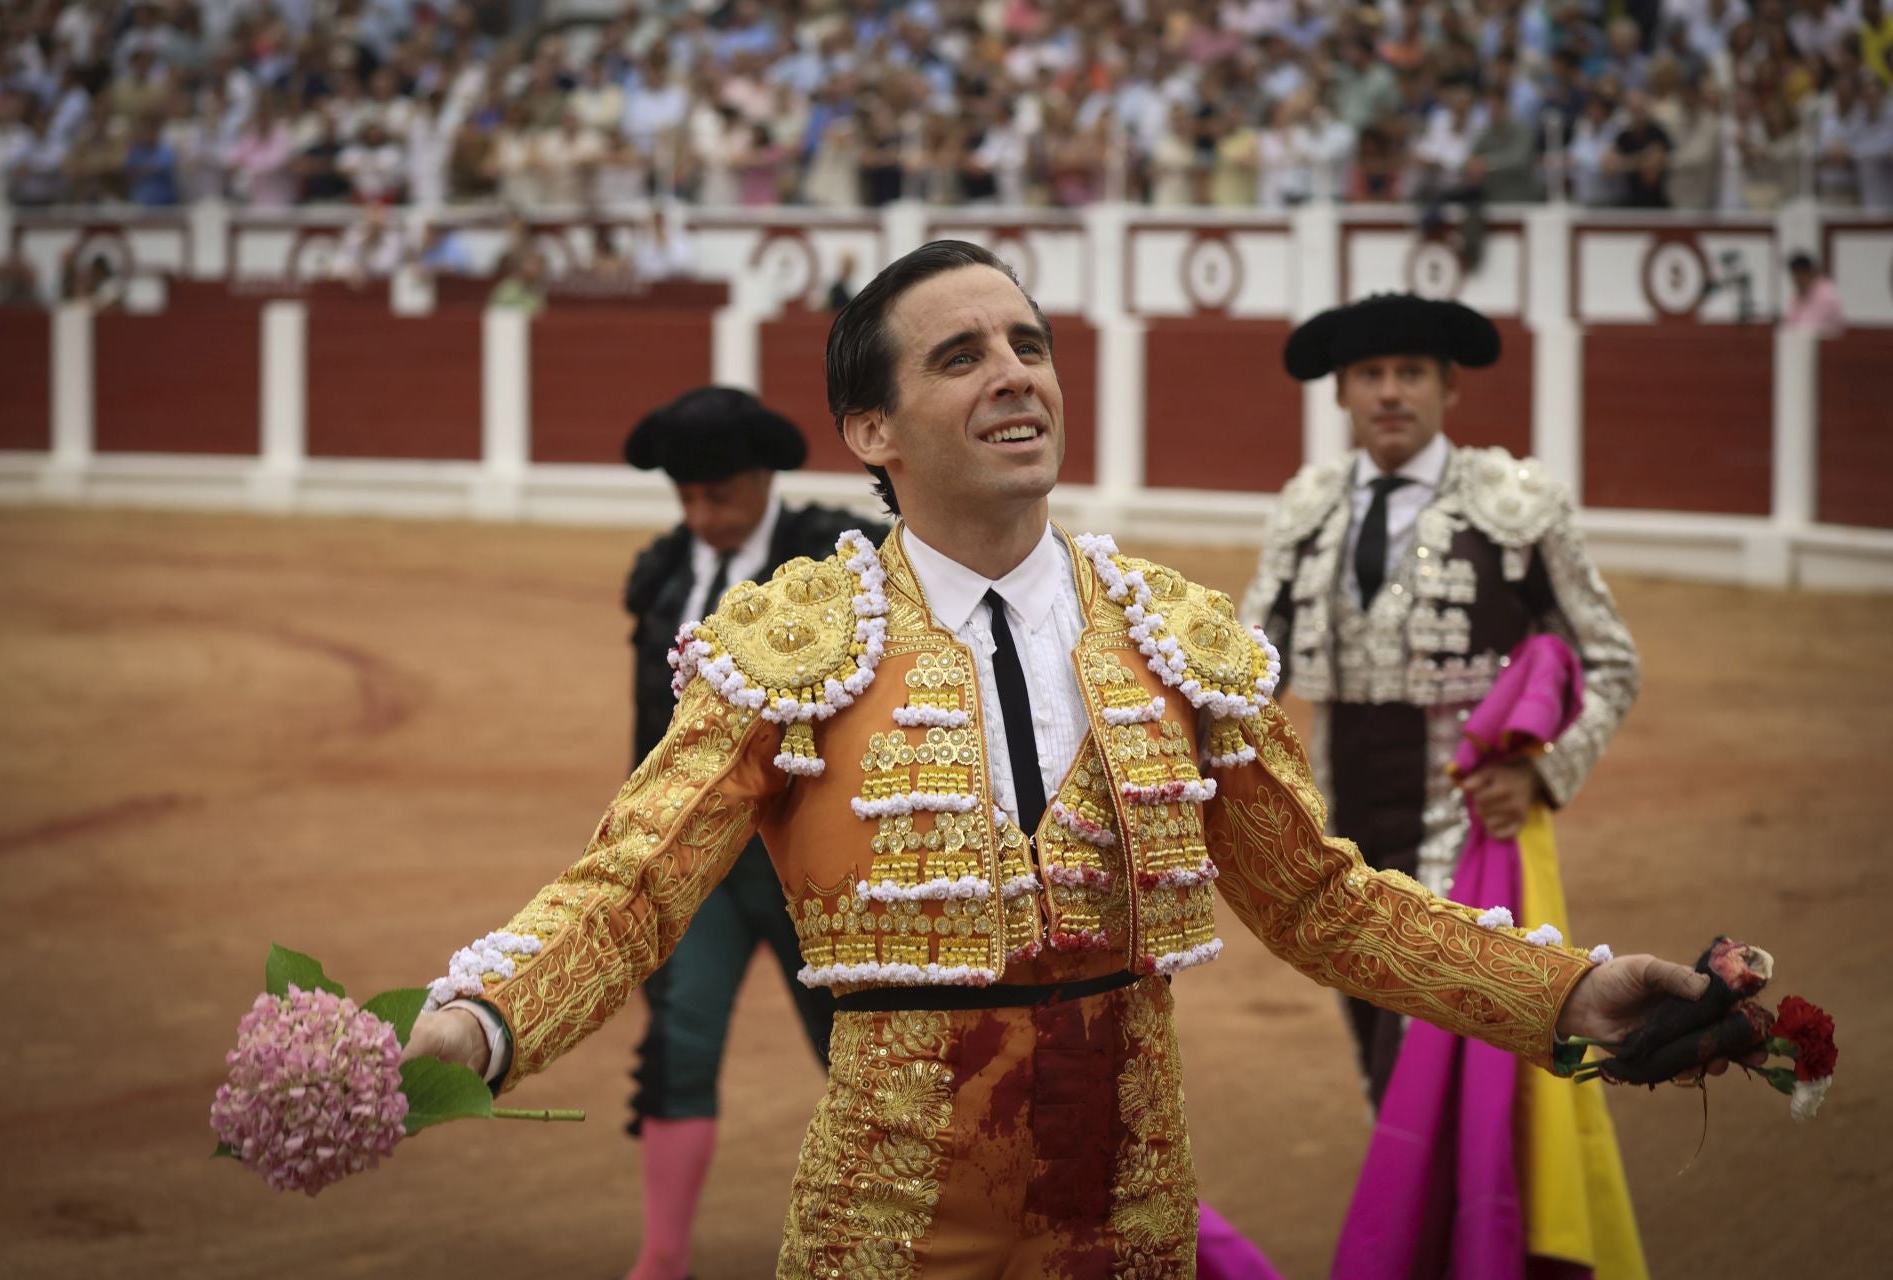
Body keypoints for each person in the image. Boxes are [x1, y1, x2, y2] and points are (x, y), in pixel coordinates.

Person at [401, 242, 1739, 1276]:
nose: (1015, 374)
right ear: (873, 432)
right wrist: (469, 1026)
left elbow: (1324, 901)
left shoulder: (1174, 637)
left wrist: (1567, 993)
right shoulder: (786, 645)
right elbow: (631, 893)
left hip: (1132, 1221)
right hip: (890, 1227)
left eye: (1030, 345)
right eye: (961, 355)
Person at [1243, 294, 1645, 1277]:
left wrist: (1545, 768)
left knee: (1435, 1076)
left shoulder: (1514, 504)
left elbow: (1613, 660)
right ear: (1342, 391)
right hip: (1337, 854)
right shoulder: (1306, 511)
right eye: (1372, 375)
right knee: (1392, 1076)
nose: (1390, 392)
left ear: (1448, 386)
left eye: (1411, 372)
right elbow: (1248, 669)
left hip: (1469, 846)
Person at [616, 387, 885, 1280]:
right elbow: (651, 734)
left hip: (815, 860)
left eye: (719, 496)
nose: (703, 515)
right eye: (687, 497)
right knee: (678, 1043)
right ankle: (660, 1260)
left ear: (763, 478)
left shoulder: (842, 561)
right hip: (707, 863)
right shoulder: (662, 573)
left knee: (869, 1055)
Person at [1784, 251, 1847, 337]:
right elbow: (1790, 324)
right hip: (1804, 344)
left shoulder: (1826, 294)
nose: (1796, 280)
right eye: (1794, 276)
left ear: (1810, 272)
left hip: (1828, 346)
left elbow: (1811, 327)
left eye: (1799, 275)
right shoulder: (1800, 294)